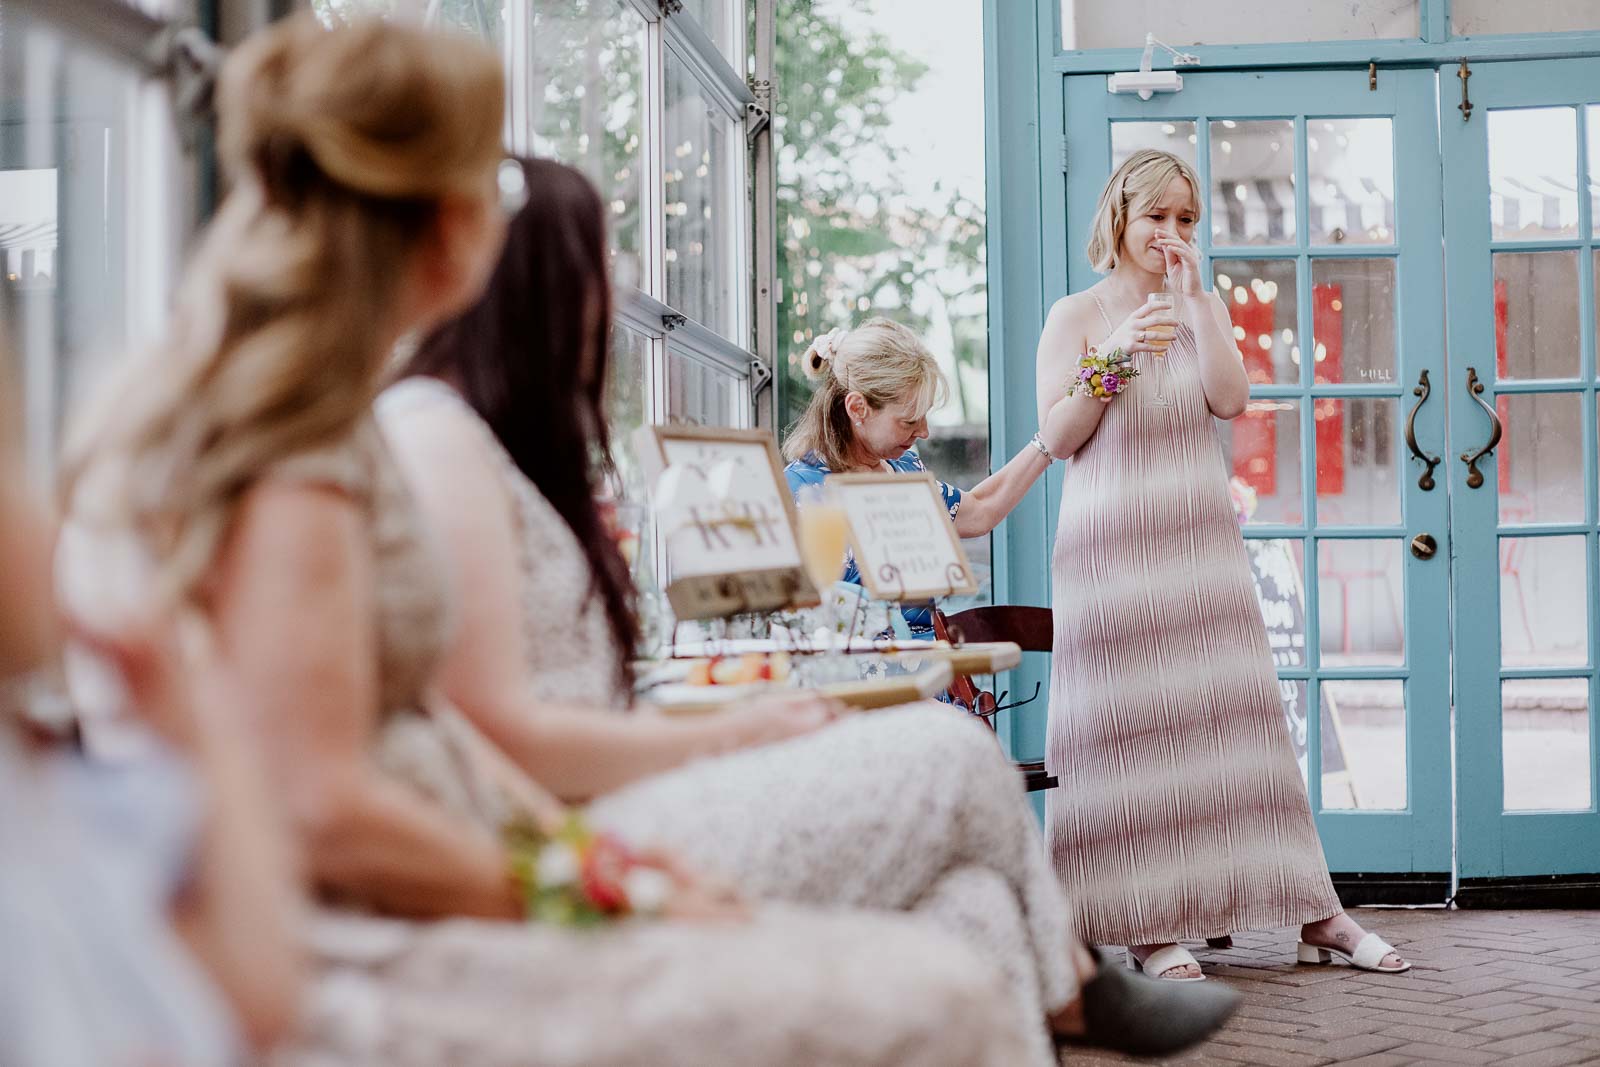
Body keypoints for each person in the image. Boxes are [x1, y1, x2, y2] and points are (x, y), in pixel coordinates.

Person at [54, 17, 1058, 1067]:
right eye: (490, 185)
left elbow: (412, 740)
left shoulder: (298, 414)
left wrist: (589, 854)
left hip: (465, 864)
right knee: (948, 975)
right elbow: (322, 811)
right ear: (443, 222)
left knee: (965, 931)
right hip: (387, 942)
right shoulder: (295, 449)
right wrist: (612, 880)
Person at [378, 156, 1240, 1065]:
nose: (618, 294)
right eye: (601, 265)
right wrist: (728, 735)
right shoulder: (442, 440)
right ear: (532, 288)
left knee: (978, 911)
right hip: (580, 818)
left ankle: (1061, 996)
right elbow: (497, 734)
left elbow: (974, 511)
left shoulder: (498, 445)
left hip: (613, 784)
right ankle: (1075, 986)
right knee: (948, 750)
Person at [1034, 148, 1410, 982]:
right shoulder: (1078, 313)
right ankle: (1144, 921)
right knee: (1126, 737)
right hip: (1110, 552)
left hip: (1199, 545)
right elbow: (1059, 437)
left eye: (1186, 219)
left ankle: (1319, 911)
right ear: (1120, 217)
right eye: (1157, 216)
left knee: (1237, 730)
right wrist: (1120, 350)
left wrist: (1199, 300)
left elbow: (1232, 400)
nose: (1171, 233)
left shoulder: (1196, 304)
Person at [0, 351, 302, 1066]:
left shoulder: (50, 808)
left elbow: (255, 993)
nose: (48, 520)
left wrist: (201, 734)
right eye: (15, 460)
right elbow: (258, 995)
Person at [782, 318, 1074, 635]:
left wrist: (1049, 442)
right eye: (908, 421)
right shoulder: (799, 494)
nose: (924, 431)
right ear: (857, 408)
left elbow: (980, 511)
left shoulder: (905, 471)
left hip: (928, 675)